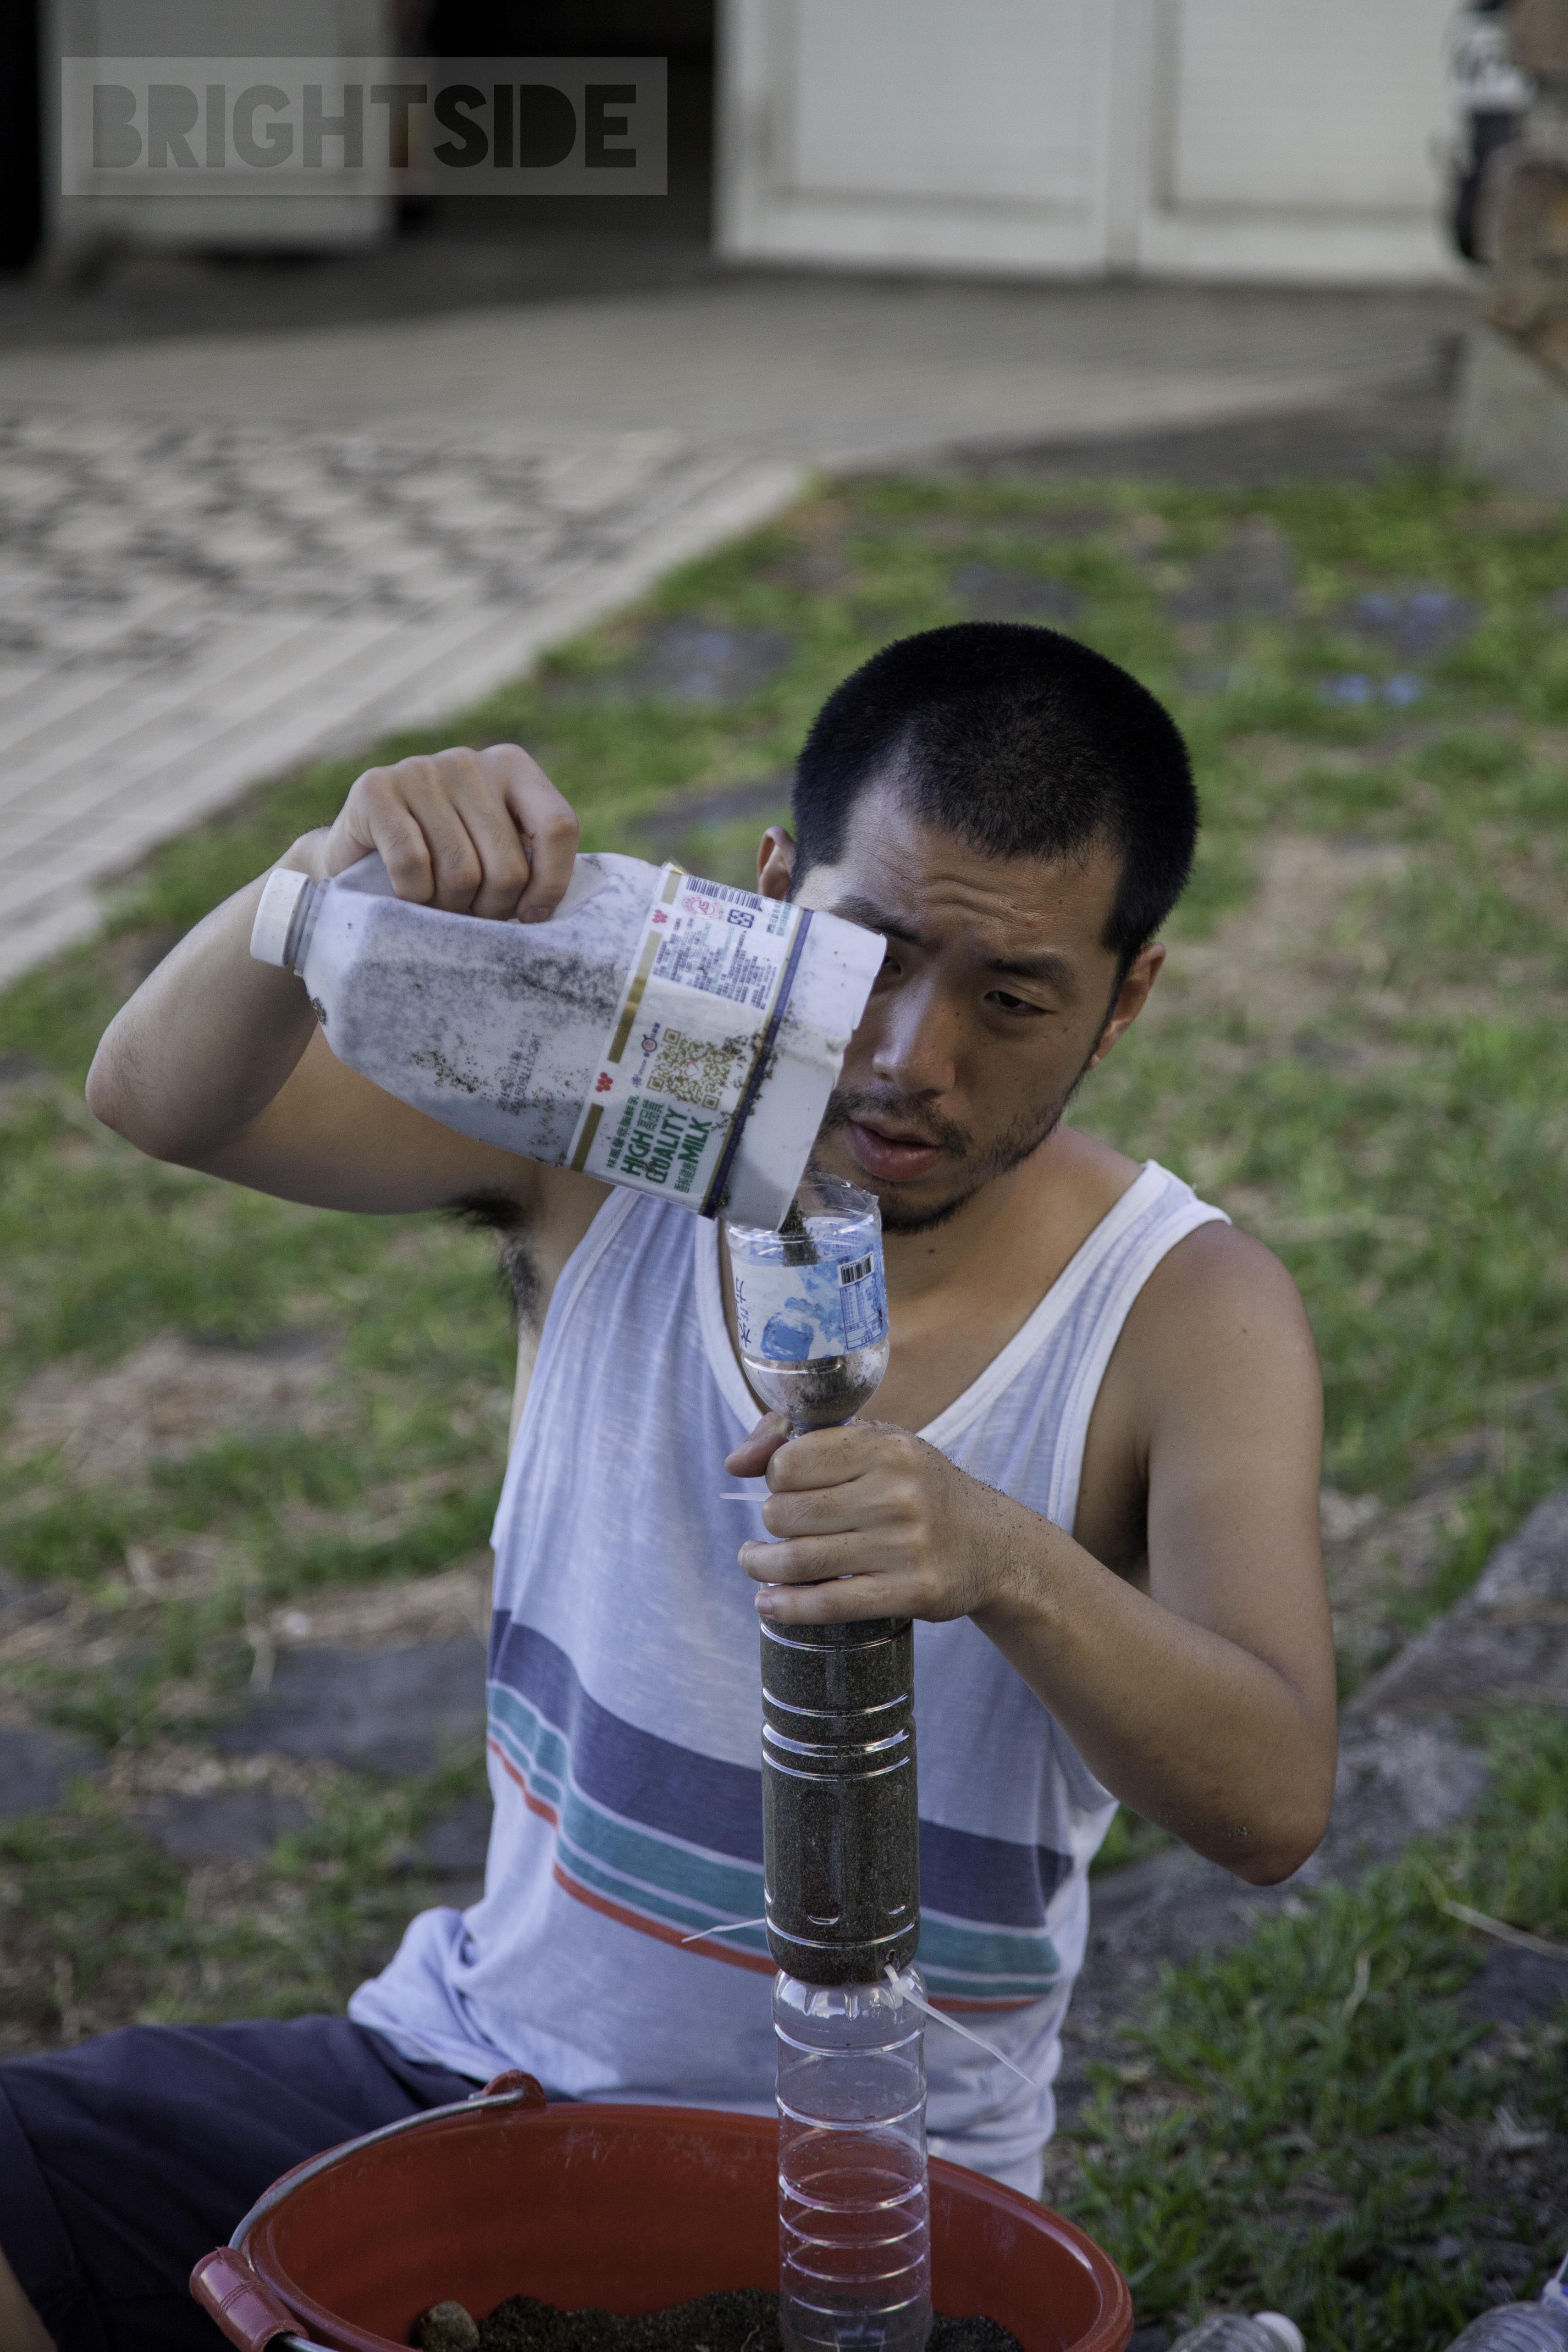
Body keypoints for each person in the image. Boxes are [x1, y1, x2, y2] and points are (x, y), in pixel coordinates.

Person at [1, 623, 1336, 2352]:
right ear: (773, 894)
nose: (909, 1059)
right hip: (468, 2072)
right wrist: (320, 881)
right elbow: (155, 1098)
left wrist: (1007, 1559)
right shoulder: (622, 1131)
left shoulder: (1180, 1309)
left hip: (866, 2194)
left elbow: (1271, 1799)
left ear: (1124, 997)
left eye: (1011, 999)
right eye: (864, 956)